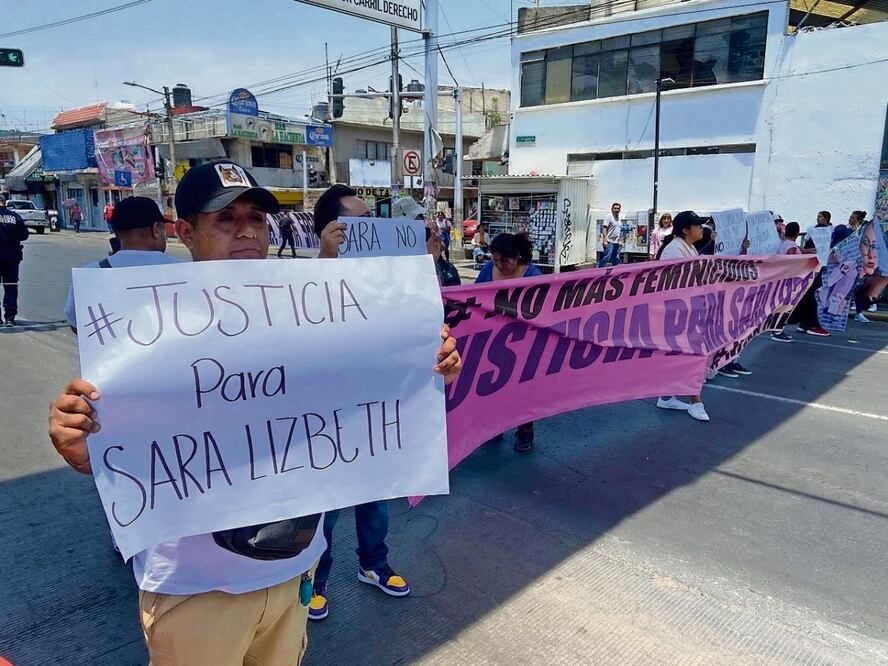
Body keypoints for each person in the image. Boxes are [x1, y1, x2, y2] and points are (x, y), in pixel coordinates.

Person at [48, 162, 463, 662]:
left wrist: (429, 365)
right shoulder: (147, 329)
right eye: (225, 219)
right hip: (198, 589)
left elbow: (368, 387)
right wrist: (82, 448)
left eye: (257, 218)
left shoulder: (313, 310)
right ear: (185, 232)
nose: (247, 230)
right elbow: (131, 449)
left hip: (293, 572)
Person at [307, 184, 456, 622]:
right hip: (330, 416)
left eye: (369, 218)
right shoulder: (307, 277)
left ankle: (374, 564)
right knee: (328, 509)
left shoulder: (383, 274)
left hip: (375, 410)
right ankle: (316, 578)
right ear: (329, 230)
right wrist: (327, 260)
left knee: (375, 497)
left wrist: (426, 256)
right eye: (353, 221)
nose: (367, 227)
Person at [64, 197, 181, 332]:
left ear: (117, 233)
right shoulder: (188, 271)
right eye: (163, 231)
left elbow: (76, 325)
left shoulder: (89, 275)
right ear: (156, 229)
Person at [476, 233, 543, 451]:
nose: (499, 265)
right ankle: (495, 427)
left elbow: (547, 305)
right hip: (492, 342)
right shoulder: (488, 270)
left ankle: (525, 431)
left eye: (504, 260)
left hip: (523, 343)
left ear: (516, 257)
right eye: (495, 259)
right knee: (492, 386)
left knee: (522, 389)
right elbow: (472, 297)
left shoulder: (533, 274)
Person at [655, 211, 710, 422]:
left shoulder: (687, 247)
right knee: (693, 357)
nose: (701, 229)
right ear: (686, 230)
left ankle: (667, 396)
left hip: (687, 311)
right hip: (677, 314)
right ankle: (696, 401)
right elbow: (674, 286)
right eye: (697, 225)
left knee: (681, 358)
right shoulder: (674, 250)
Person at [789, 210, 833, 336]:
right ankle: (812, 324)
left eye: (820, 216)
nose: (817, 218)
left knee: (809, 296)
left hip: (812, 269)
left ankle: (804, 323)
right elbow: (807, 251)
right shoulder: (821, 238)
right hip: (815, 271)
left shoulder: (817, 237)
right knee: (812, 297)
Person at [0, 195, 29, 327]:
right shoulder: (15, 217)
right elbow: (24, 235)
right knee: (11, 287)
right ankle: (10, 317)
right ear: (4, 203)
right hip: (12, 258)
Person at [771, 222, 802, 342]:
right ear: (797, 233)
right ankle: (777, 331)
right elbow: (791, 261)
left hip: (782, 279)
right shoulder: (791, 246)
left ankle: (777, 329)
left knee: (781, 305)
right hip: (788, 281)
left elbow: (804, 251)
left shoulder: (786, 243)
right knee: (784, 306)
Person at [598, 202, 624, 267]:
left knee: (615, 259)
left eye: (618, 208)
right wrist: (605, 240)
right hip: (609, 241)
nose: (616, 210)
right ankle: (598, 270)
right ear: (612, 209)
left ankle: (614, 273)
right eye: (615, 208)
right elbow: (604, 228)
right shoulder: (609, 216)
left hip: (616, 242)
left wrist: (620, 240)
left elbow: (619, 229)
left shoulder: (619, 218)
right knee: (607, 257)